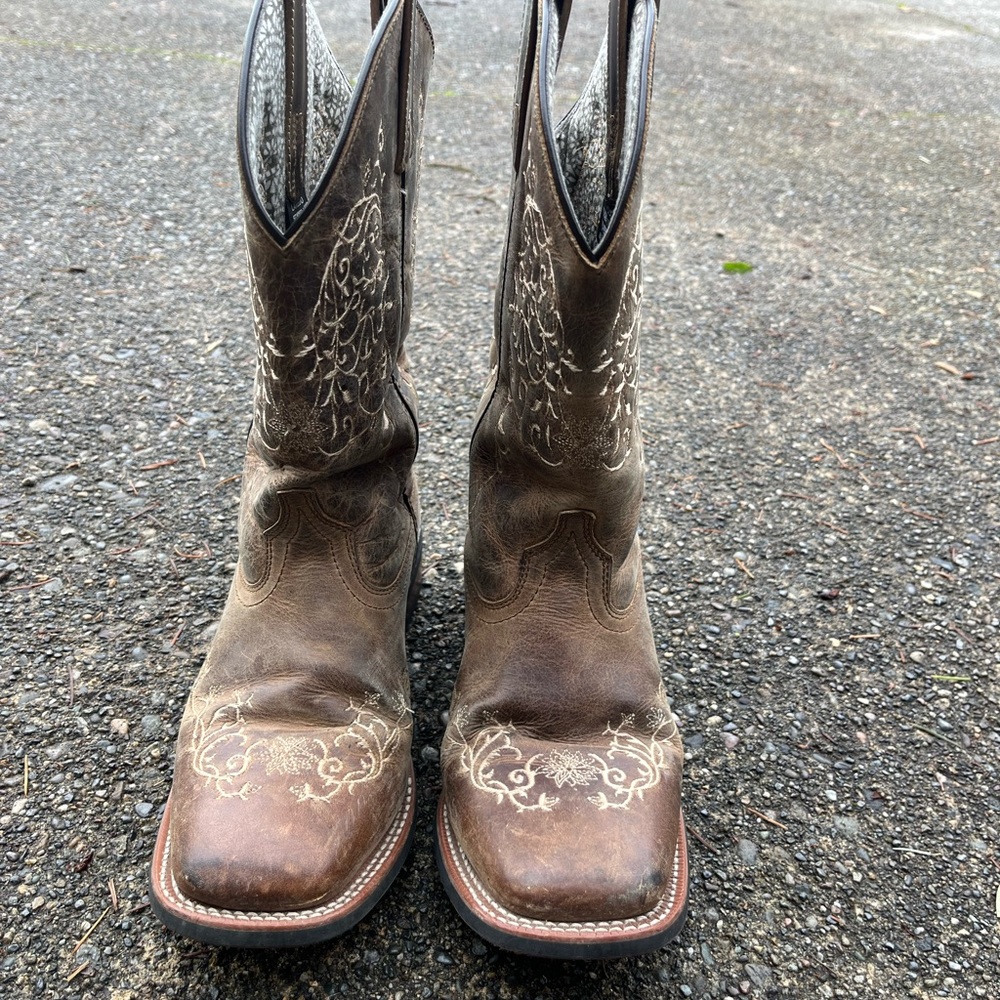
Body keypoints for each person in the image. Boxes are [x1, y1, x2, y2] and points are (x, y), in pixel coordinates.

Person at [149, 0, 687, 959]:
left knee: (585, 239)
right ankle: (333, 537)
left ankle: (547, 559)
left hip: (571, 570)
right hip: (310, 562)